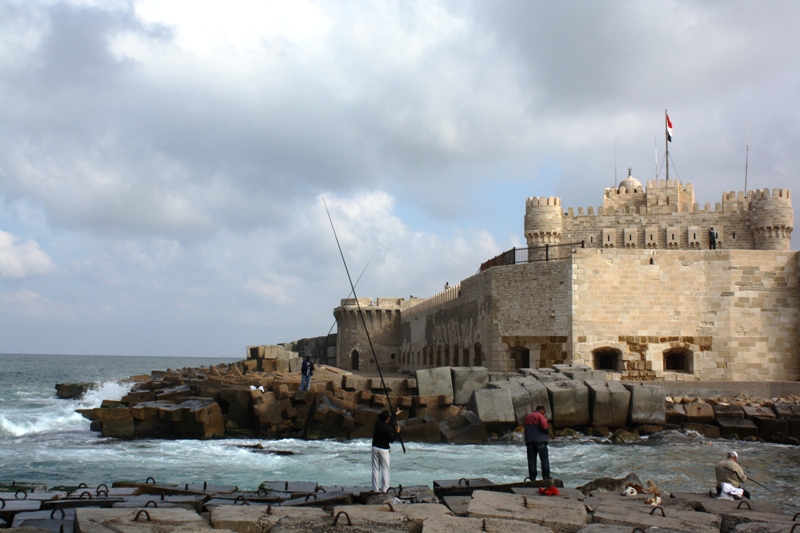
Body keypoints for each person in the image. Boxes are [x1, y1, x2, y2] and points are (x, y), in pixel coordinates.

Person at [371, 409, 401, 492]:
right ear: (387, 418)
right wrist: (397, 432)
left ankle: (375, 489)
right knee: (385, 469)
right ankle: (385, 489)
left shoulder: (377, 424)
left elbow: (389, 420)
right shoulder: (387, 428)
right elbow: (391, 439)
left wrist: (395, 414)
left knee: (375, 469)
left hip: (375, 448)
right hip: (384, 450)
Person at [524, 405, 551, 481]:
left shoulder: (528, 417)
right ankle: (546, 477)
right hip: (540, 441)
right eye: (544, 412)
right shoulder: (540, 416)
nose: (544, 414)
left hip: (529, 441)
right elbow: (545, 427)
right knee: (544, 459)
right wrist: (548, 432)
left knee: (531, 460)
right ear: (541, 410)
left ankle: (532, 477)